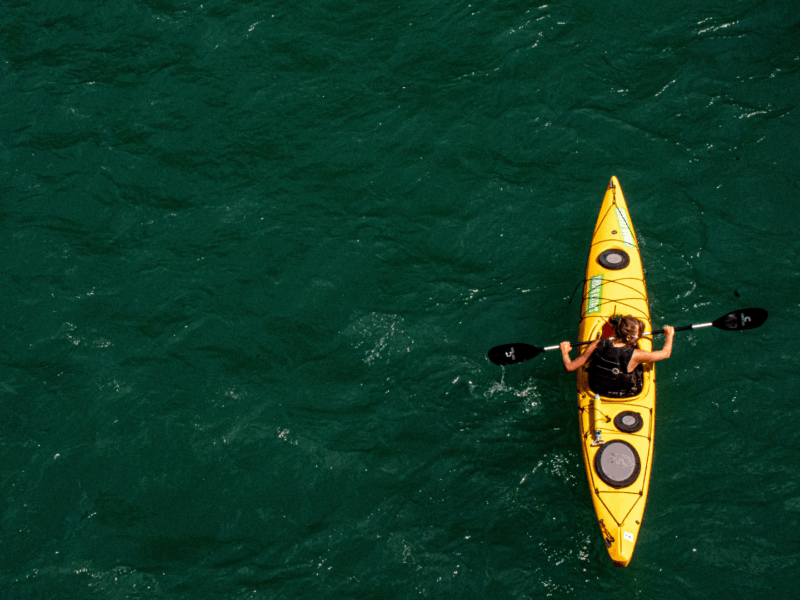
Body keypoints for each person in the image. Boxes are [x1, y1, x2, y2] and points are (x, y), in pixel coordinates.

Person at [559, 316, 675, 398]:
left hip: (597, 391)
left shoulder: (597, 343)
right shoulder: (636, 355)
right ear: (628, 338)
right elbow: (666, 353)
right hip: (624, 394)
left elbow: (570, 367)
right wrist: (670, 335)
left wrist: (565, 352)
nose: (639, 338)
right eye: (637, 336)